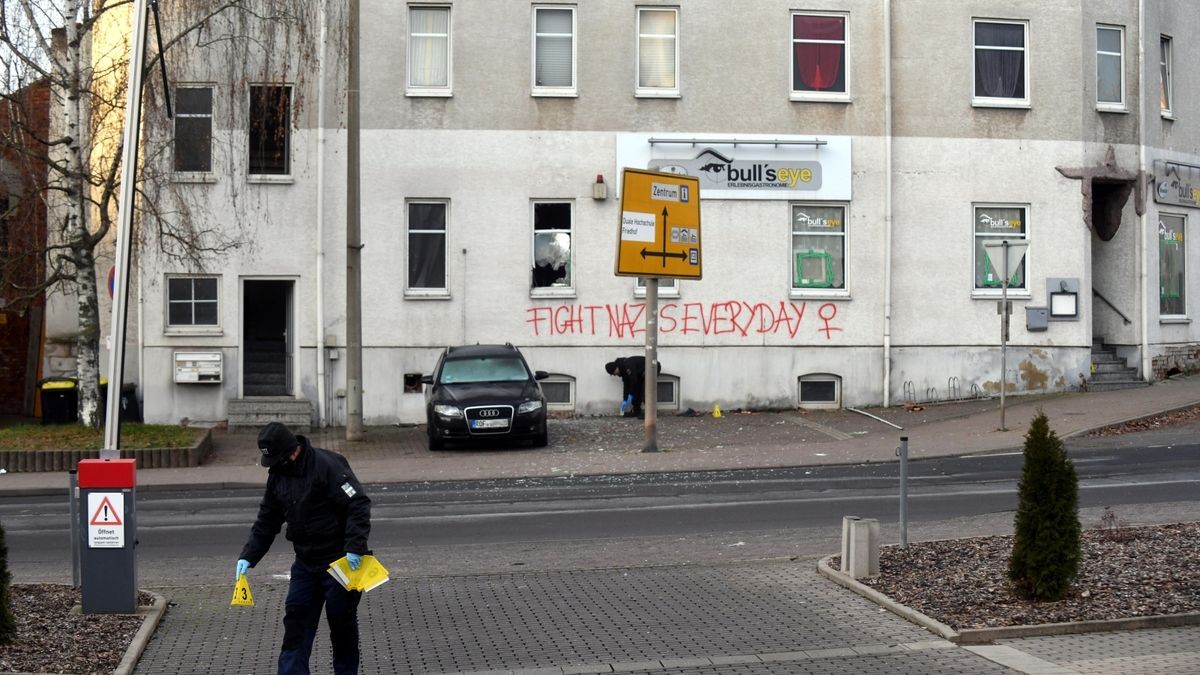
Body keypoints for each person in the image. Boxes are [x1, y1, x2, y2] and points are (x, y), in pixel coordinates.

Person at [235, 422, 372, 675]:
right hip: (306, 564)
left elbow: (358, 505)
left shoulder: (327, 466)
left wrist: (354, 546)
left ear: (292, 451)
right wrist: (249, 556)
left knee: (342, 626)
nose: (274, 465)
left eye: (278, 458)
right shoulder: (277, 475)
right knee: (296, 623)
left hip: (339, 562)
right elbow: (267, 520)